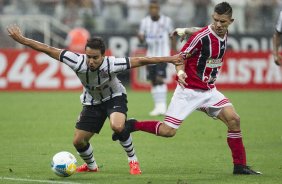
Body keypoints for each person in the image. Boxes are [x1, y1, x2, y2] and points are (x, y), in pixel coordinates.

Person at [7, 25, 184, 175]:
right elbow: (47, 48)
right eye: (88, 56)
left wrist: (170, 59)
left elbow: (143, 60)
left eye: (95, 57)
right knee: (78, 141)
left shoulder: (113, 63)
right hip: (91, 102)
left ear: (103, 55)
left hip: (114, 96)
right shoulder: (76, 61)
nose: (90, 61)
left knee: (117, 126)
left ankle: (133, 160)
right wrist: (22, 39)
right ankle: (92, 167)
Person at [113, 2, 261, 175]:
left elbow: (202, 29)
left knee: (234, 119)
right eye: (216, 20)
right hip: (188, 91)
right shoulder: (201, 38)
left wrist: (185, 29)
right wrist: (181, 72)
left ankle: (240, 166)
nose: (219, 25)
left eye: (223, 22)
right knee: (168, 132)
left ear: (231, 21)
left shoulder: (222, 32)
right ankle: (133, 125)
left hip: (209, 91)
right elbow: (180, 58)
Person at [138, 0, 176, 116]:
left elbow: (172, 35)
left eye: (155, 8)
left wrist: (174, 51)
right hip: (150, 56)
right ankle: (157, 106)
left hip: (162, 55)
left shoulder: (166, 21)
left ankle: (163, 106)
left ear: (158, 9)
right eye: (151, 8)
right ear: (149, 9)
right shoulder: (144, 22)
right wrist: (140, 37)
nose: (153, 10)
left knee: (160, 78)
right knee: (153, 81)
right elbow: (141, 38)